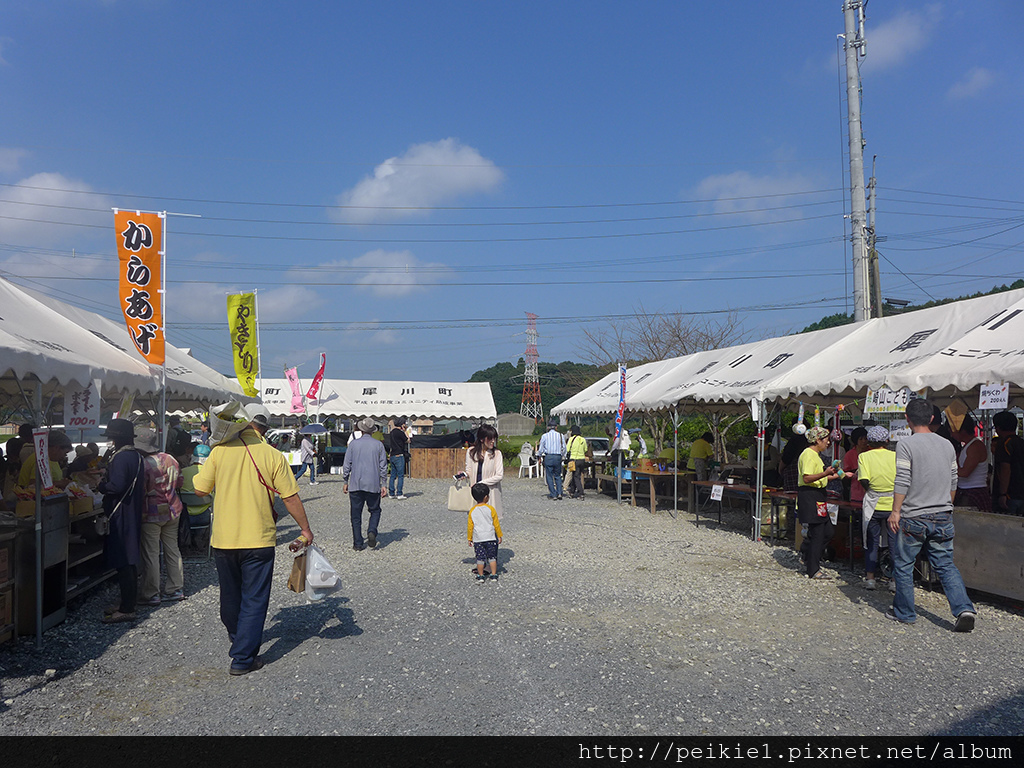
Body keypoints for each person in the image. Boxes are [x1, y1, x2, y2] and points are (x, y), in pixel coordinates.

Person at [193, 404, 313, 675]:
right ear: (265, 429)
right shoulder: (272, 455)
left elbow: (200, 490)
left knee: (230, 594)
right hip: (259, 538)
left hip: (224, 539)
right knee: (254, 598)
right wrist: (305, 529)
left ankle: (238, 637)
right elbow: (290, 497)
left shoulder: (219, 451)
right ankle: (243, 658)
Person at [886, 398, 976, 631]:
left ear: (907, 419)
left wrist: (895, 511)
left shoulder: (906, 444)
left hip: (914, 515)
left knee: (904, 565)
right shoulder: (947, 445)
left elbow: (902, 479)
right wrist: (947, 505)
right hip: (942, 513)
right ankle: (964, 608)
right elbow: (954, 480)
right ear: (933, 418)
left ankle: (905, 613)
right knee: (945, 565)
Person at [98, 419, 147, 624]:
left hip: (121, 513)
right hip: (132, 510)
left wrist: (101, 486)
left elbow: (117, 486)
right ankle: (127, 602)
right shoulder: (137, 456)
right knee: (129, 559)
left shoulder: (120, 458)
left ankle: (127, 608)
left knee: (123, 561)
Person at [134, 429, 185, 606]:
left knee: (151, 553)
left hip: (151, 513)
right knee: (172, 549)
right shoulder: (170, 458)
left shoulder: (143, 464)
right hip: (173, 509)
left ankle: (151, 593)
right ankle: (175, 589)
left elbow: (140, 490)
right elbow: (180, 482)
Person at [797, 426, 840, 580]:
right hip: (810, 495)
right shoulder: (808, 454)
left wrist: (836, 475)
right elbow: (807, 477)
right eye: (826, 440)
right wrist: (825, 473)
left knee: (827, 531)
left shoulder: (816, 455)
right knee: (818, 532)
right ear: (817, 440)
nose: (828, 443)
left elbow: (819, 477)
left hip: (818, 495)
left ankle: (807, 555)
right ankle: (813, 569)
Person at [858, 426, 896, 591]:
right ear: (886, 441)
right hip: (893, 503)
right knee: (894, 543)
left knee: (871, 541)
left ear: (869, 442)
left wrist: (872, 491)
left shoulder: (864, 456)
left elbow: (864, 480)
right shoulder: (895, 456)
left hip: (873, 503)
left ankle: (870, 578)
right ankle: (894, 580)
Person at [343, 417, 388, 551]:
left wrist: (345, 480)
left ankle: (358, 543)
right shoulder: (379, 445)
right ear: (373, 431)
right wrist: (384, 483)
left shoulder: (353, 444)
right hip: (373, 484)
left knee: (355, 515)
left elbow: (347, 464)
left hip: (355, 483)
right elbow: (383, 466)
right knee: (375, 510)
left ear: (361, 430)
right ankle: (372, 530)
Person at [952, 414, 991, 512]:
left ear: (962, 430)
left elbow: (965, 472)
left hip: (973, 491)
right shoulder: (967, 446)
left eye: (952, 431)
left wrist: (947, 469)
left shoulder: (975, 446)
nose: (952, 435)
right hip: (965, 490)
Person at [467, 482, 503, 582]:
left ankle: (481, 576)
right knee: (492, 557)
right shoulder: (491, 509)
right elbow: (496, 524)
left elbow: (470, 527)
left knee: (480, 558)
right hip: (490, 537)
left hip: (478, 538)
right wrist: (499, 535)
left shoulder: (472, 511)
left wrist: (469, 538)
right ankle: (494, 575)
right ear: (486, 497)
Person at [992, 411, 1024, 515]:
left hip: (1009, 495)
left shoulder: (1004, 444)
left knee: (1006, 522)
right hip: (1021, 494)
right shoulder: (1021, 442)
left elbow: (1005, 468)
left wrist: (1003, 493)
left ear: (998, 427)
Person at [538, 419, 565, 500]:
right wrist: (562, 455)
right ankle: (559, 492)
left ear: (548, 427)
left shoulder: (544, 436)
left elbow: (541, 448)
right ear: (556, 427)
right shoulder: (560, 435)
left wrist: (539, 455)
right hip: (557, 456)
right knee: (558, 475)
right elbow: (564, 448)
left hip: (548, 456)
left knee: (549, 476)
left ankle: (553, 494)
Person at [843, 427, 869, 504]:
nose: (864, 441)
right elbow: (845, 472)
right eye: (861, 439)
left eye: (865, 438)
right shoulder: (849, 454)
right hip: (856, 490)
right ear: (855, 441)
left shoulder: (871, 452)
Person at [780, 427, 809, 492]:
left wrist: (780, 470)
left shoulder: (792, 441)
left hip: (791, 474)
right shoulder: (808, 444)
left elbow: (785, 458)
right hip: (802, 483)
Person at [388, 417, 410, 500]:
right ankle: (399, 493)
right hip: (399, 455)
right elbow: (408, 440)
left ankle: (391, 493)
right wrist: (405, 431)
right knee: (400, 475)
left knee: (393, 475)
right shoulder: (400, 433)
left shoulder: (392, 432)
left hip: (392, 455)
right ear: (402, 424)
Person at [564, 425, 589, 499]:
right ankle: (572, 491)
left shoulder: (571, 439)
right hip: (582, 460)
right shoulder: (583, 439)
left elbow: (567, 449)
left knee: (576, 477)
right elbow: (586, 449)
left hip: (574, 459)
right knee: (576, 475)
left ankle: (581, 492)